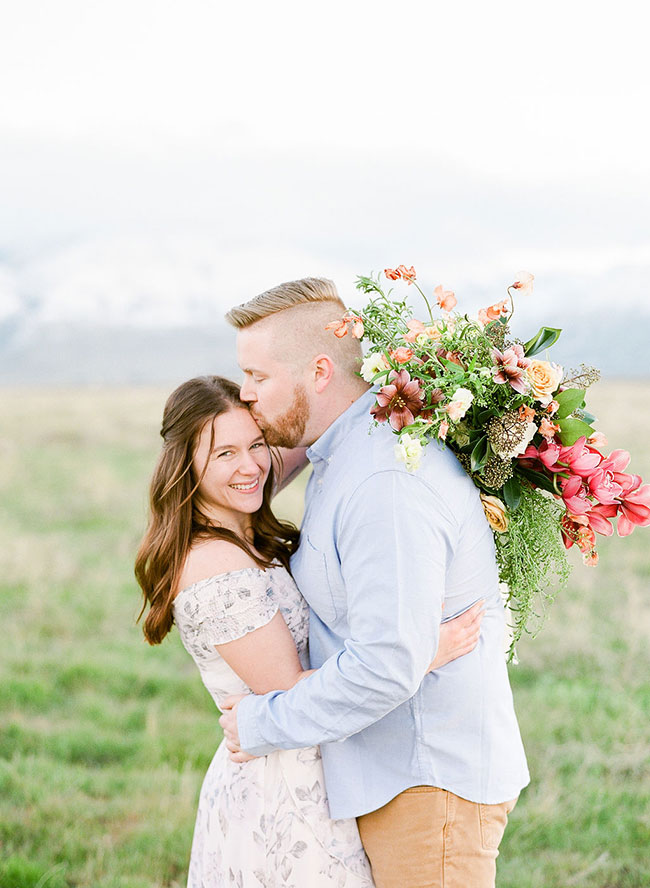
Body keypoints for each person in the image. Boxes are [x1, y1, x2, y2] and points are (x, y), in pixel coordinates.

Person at [219, 277, 530, 888]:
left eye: (257, 377)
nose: (246, 395)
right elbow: (239, 473)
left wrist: (262, 724)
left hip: (427, 782)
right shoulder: (342, 448)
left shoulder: (385, 480)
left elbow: (388, 664)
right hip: (396, 775)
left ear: (319, 370)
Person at [134, 375, 484, 887]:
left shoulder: (241, 522)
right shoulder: (214, 564)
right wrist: (422, 651)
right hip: (282, 790)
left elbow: (308, 443)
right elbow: (289, 691)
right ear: (186, 464)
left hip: (316, 763)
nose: (249, 466)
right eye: (224, 453)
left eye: (255, 444)